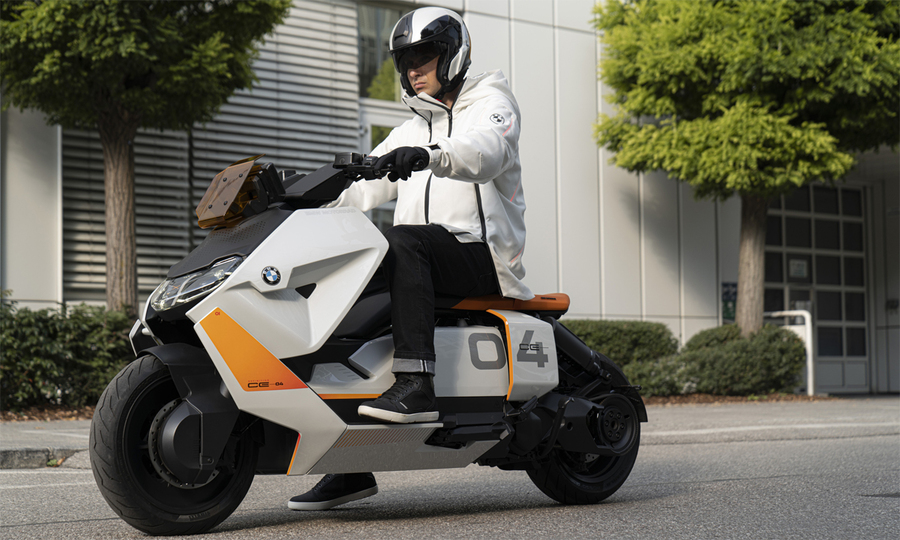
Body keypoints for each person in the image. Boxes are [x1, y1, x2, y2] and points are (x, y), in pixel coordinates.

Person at [289, 6, 531, 511]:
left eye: (424, 57)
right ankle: (348, 463)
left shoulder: (492, 103)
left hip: (482, 258)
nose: (413, 69)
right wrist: (296, 200)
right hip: (422, 261)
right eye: (406, 60)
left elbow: (486, 151)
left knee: (402, 241)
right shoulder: (409, 129)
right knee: (348, 277)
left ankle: (417, 382)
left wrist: (432, 155)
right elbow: (361, 187)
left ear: (453, 55)